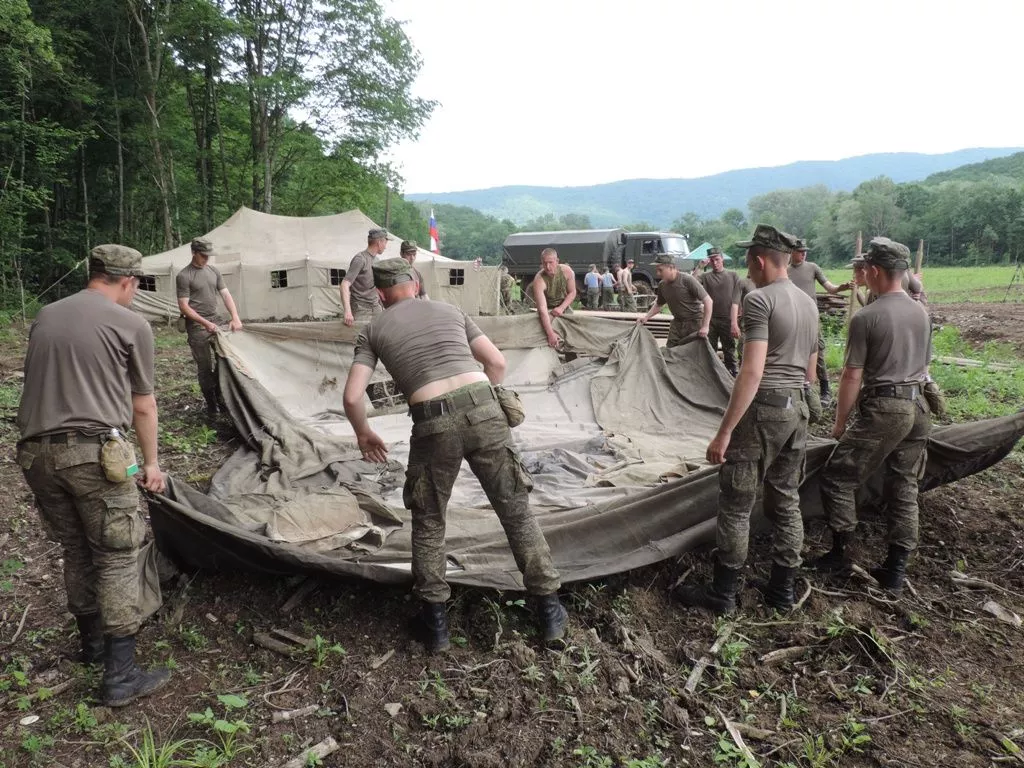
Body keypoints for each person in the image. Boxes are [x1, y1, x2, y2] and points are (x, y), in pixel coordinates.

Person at [342, 259, 568, 650]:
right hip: (485, 410)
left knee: (429, 520)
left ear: (380, 294)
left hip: (432, 425)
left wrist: (364, 433)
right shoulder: (450, 310)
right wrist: (483, 403)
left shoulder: (373, 330)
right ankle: (548, 613)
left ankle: (436, 627)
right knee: (515, 511)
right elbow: (496, 362)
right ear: (415, 283)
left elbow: (350, 396)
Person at [16, 244, 171, 707]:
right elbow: (143, 402)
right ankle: (121, 677)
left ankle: (92, 646)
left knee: (76, 548)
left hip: (36, 455)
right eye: (137, 284)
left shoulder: (47, 313)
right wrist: (151, 464)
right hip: (91, 455)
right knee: (118, 554)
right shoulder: (131, 324)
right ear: (128, 281)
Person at [674, 225, 818, 614]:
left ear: (758, 260)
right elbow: (810, 368)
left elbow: (751, 372)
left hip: (764, 412)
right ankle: (782, 591)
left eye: (748, 260)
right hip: (797, 410)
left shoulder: (758, 301)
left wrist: (724, 433)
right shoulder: (808, 302)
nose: (746, 269)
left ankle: (722, 595)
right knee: (786, 500)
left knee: (736, 504)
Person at [811, 237, 932, 596]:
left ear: (875, 271)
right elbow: (925, 365)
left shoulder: (867, 317)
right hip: (919, 406)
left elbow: (851, 375)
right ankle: (895, 570)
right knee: (904, 485)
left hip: (885, 408)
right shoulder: (921, 312)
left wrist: (839, 422)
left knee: (837, 476)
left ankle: (841, 553)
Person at [176, 238, 243, 417]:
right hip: (197, 327)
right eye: (203, 255)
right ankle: (212, 407)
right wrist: (205, 323)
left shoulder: (213, 271)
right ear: (193, 253)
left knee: (226, 359)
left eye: (208, 255)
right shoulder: (184, 276)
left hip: (216, 320)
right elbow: (184, 306)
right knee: (205, 368)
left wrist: (235, 317)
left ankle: (224, 399)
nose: (206, 259)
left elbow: (226, 295)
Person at [787, 239, 850, 404]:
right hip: (792, 318)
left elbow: (829, 287)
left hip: (811, 318)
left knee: (818, 352)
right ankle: (798, 387)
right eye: (800, 251)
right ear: (792, 252)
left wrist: (840, 288)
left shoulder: (812, 267)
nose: (803, 253)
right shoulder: (785, 271)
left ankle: (825, 389)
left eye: (805, 251)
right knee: (793, 352)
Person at [637, 254, 713, 347]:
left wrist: (705, 326)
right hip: (677, 325)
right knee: (671, 352)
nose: (658, 273)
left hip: (694, 324)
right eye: (657, 270)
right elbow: (658, 304)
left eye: (660, 270)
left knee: (694, 355)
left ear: (671, 267)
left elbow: (708, 301)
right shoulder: (662, 285)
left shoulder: (687, 280)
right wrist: (646, 317)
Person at [695, 247, 742, 375]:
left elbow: (737, 299)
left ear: (722, 259)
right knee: (710, 349)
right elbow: (692, 282)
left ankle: (732, 375)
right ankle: (712, 375)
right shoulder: (705, 276)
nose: (715, 263)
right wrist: (699, 267)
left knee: (729, 350)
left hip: (727, 319)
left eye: (717, 259)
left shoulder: (733, 275)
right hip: (711, 320)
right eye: (712, 260)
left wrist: (735, 321)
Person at [341, 228, 388, 326]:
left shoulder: (377, 261)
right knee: (360, 338)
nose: (385, 247)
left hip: (375, 307)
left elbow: (376, 287)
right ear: (379, 242)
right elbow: (344, 284)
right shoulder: (360, 259)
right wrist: (347, 311)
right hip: (361, 309)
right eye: (385, 242)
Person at [531, 248, 577, 349]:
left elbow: (572, 292)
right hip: (548, 310)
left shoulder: (567, 271)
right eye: (544, 263)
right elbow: (542, 310)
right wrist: (550, 333)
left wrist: (561, 308)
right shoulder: (539, 280)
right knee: (543, 334)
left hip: (564, 306)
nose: (547, 267)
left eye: (550, 262)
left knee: (572, 336)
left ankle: (571, 356)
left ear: (557, 261)